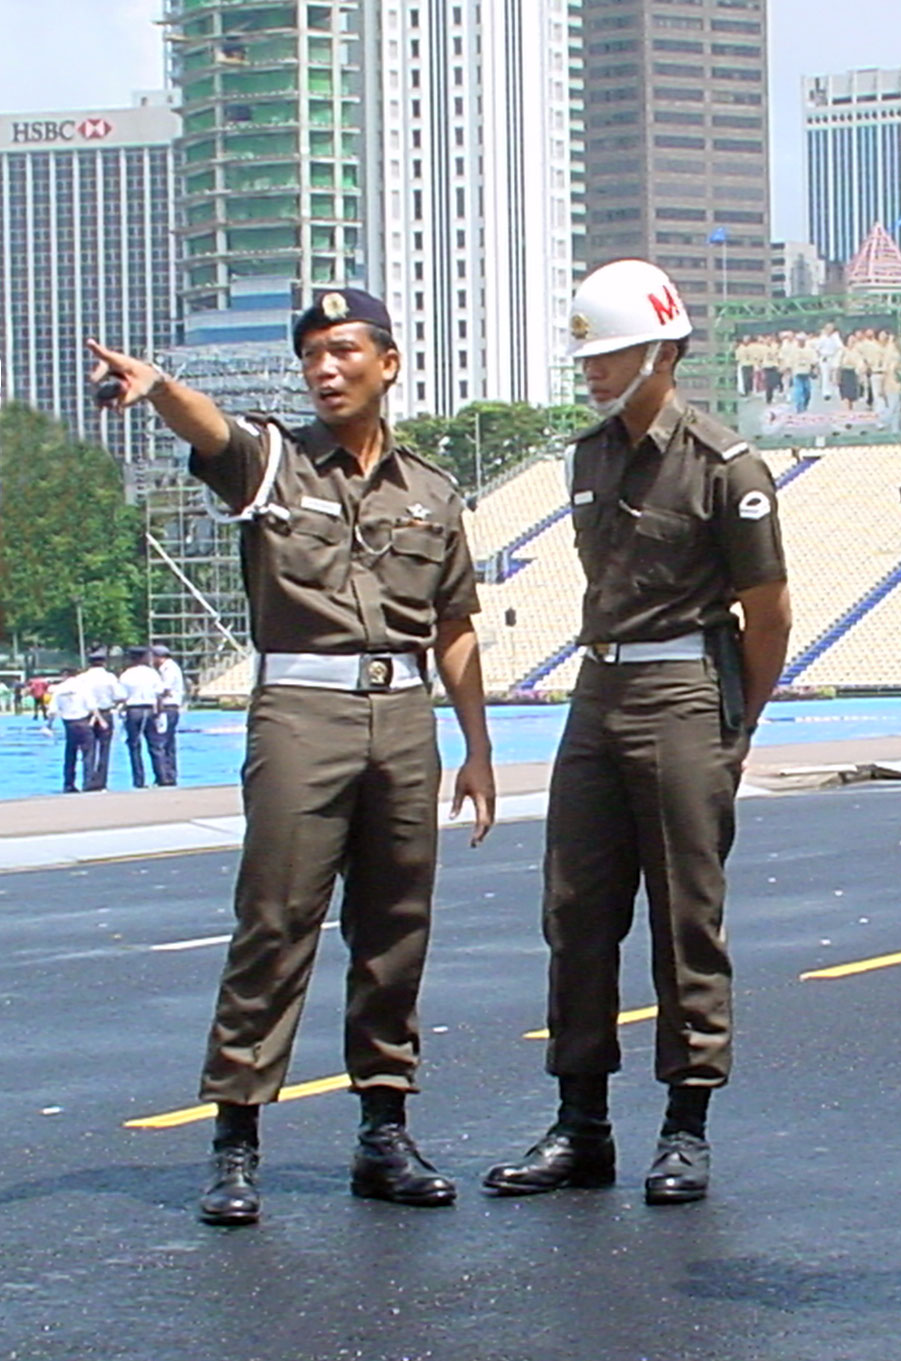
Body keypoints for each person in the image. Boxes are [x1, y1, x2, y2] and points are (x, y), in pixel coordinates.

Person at [87, 285, 495, 1227]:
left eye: (344, 349)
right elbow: (215, 435)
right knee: (274, 922)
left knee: (395, 930)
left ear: (386, 363)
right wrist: (158, 388)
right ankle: (235, 1137)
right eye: (312, 353)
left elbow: (455, 624)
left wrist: (474, 749)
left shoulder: (430, 489)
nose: (325, 367)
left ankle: (382, 1132)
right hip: (300, 715)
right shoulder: (275, 461)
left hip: (402, 720)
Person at [483, 259, 790, 1206]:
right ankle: (580, 1126)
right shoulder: (585, 456)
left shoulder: (723, 464)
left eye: (612, 354)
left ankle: (684, 1127)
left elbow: (767, 614)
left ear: (661, 349)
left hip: (682, 695)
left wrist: (733, 725)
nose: (594, 370)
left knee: (683, 918)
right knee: (575, 912)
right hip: (596, 693)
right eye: (587, 355)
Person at [118, 645, 168, 788]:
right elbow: (159, 693)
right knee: (155, 745)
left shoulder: (126, 675)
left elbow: (121, 696)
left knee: (134, 746)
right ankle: (161, 777)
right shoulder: (152, 673)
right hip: (149, 709)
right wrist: (159, 712)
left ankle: (138, 780)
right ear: (144, 657)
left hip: (133, 710)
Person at [47, 667, 100, 793]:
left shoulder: (59, 689)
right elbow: (92, 706)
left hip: (68, 723)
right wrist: (99, 720)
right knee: (88, 753)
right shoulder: (83, 687)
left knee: (70, 754)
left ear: (64, 675)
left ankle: (68, 784)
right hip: (83, 721)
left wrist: (49, 725)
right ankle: (88, 783)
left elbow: (52, 711)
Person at [81, 647, 125, 791]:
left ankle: (88, 781)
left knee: (88, 750)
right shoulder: (110, 677)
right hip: (105, 713)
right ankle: (101, 782)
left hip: (86, 715)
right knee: (104, 749)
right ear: (104, 662)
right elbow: (120, 696)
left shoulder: (82, 678)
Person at [150, 644, 185, 786]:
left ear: (160, 657)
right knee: (168, 742)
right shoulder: (168, 668)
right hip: (170, 707)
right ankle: (169, 774)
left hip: (168, 707)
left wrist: (154, 693)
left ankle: (165, 775)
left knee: (162, 741)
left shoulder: (169, 669)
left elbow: (164, 688)